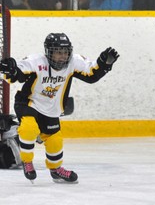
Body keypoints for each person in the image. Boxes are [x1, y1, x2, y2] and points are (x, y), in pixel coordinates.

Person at [0, 33, 120, 183]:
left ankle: (56, 169)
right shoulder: (37, 61)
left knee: (55, 140)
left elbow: (91, 75)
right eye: (58, 52)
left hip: (51, 108)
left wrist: (104, 64)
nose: (62, 56)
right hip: (29, 102)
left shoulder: (73, 62)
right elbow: (18, 74)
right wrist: (9, 69)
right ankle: (27, 161)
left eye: (65, 52)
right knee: (29, 129)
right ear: (48, 52)